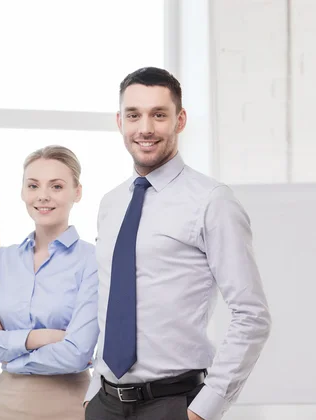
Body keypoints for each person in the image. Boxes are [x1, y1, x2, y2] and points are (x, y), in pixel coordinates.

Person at [84, 67, 272, 420]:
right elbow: (111, 303)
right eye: (133, 115)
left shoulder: (212, 201)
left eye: (159, 115)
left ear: (180, 119)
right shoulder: (110, 204)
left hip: (172, 404)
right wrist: (93, 392)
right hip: (105, 404)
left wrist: (203, 409)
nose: (145, 128)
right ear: (119, 121)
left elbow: (252, 315)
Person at [0, 145, 99, 420]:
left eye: (57, 186)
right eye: (33, 185)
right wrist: (41, 337)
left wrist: (6, 350)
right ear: (23, 192)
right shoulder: (3, 260)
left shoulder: (93, 259)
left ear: (77, 192)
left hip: (69, 404)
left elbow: (76, 353)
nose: (43, 196)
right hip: (6, 404)